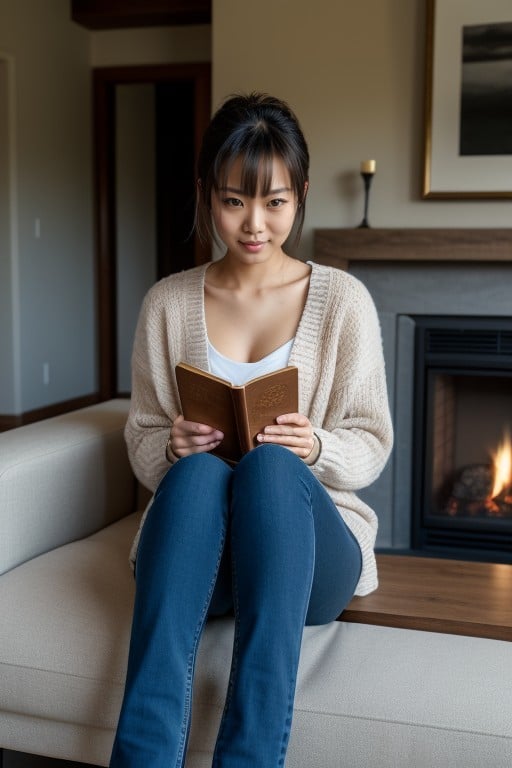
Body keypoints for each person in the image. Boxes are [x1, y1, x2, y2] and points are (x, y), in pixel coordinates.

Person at [109, 92, 393, 768]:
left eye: (275, 202)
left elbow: (372, 440)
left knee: (269, 469)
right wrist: (170, 449)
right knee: (201, 470)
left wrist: (316, 446)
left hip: (310, 556)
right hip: (205, 558)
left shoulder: (343, 301)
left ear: (299, 196)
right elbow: (143, 433)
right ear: (208, 195)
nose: (255, 224)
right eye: (235, 201)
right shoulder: (167, 303)